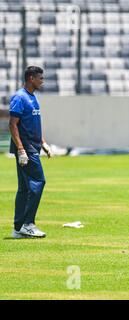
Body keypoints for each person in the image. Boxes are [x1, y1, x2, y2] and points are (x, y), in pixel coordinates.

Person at [9, 66, 52, 239]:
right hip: (26, 149)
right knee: (38, 182)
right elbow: (12, 125)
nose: (42, 81)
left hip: (33, 147)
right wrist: (20, 149)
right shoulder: (20, 97)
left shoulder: (33, 98)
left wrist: (43, 143)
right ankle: (28, 224)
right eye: (40, 78)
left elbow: (33, 123)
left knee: (25, 188)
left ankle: (18, 227)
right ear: (31, 78)